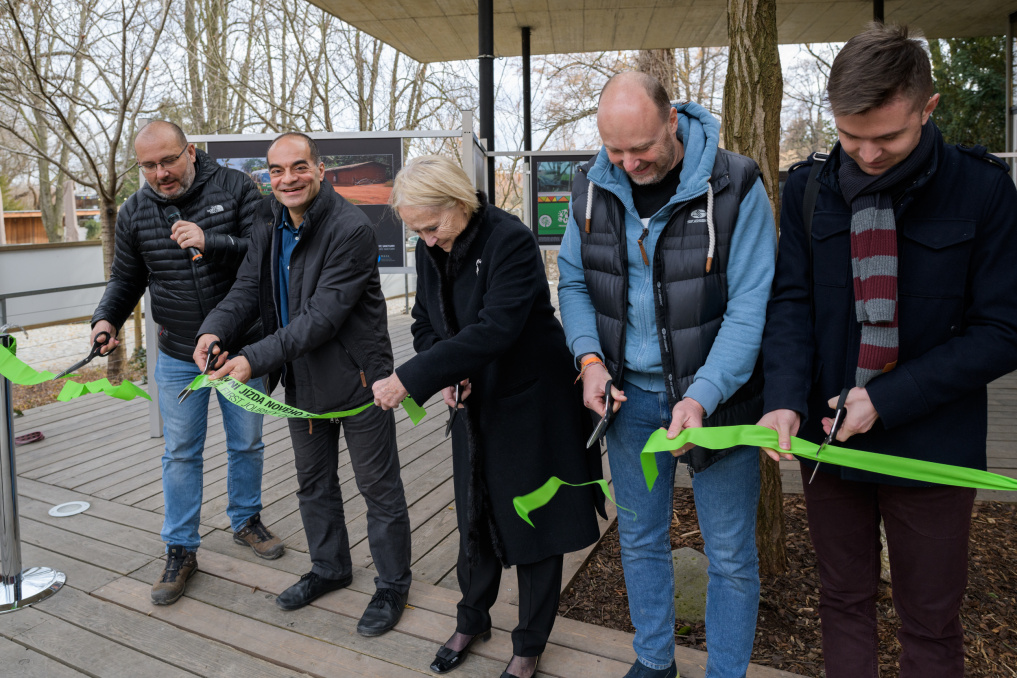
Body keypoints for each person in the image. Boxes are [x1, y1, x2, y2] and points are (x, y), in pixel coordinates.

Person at [758, 24, 1017, 678]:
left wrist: (885, 399)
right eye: (850, 136)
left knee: (930, 623)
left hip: (934, 446)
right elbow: (790, 304)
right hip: (828, 441)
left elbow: (1003, 329)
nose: (866, 155)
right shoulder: (806, 190)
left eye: (888, 137)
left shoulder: (981, 190)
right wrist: (783, 400)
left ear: (927, 109)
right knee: (841, 600)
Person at [557, 72, 776, 678]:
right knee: (640, 539)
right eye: (615, 150)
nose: (628, 163)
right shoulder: (588, 187)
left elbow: (750, 305)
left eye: (642, 148)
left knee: (730, 553)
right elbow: (573, 283)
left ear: (672, 120)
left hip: (721, 407)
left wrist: (704, 394)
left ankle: (725, 672)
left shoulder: (737, 185)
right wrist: (590, 360)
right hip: (630, 405)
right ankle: (654, 661)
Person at [372, 155, 605, 678]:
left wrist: (414, 378)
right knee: (473, 515)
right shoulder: (430, 244)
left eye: (432, 227)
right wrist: (450, 373)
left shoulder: (510, 240)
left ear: (459, 202)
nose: (427, 240)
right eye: (417, 230)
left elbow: (496, 328)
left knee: (534, 520)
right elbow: (424, 321)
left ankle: (529, 643)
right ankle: (472, 618)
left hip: (531, 401)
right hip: (474, 402)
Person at [195, 132, 412, 637]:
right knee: (314, 485)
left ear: (319, 169)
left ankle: (392, 585)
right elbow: (248, 287)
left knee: (378, 490)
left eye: (298, 167)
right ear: (267, 176)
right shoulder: (268, 220)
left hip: (361, 380)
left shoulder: (352, 228)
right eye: (276, 171)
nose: (287, 179)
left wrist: (251, 358)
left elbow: (321, 318)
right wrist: (213, 329)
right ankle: (330, 568)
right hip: (302, 383)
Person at [90, 120, 282, 607]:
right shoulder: (135, 212)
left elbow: (265, 257)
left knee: (247, 441)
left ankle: (246, 521)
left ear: (190, 152)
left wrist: (209, 239)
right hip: (178, 354)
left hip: (240, 350)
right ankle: (180, 548)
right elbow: (125, 279)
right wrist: (105, 320)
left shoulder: (238, 187)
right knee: (180, 452)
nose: (160, 173)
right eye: (149, 165)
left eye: (168, 160)